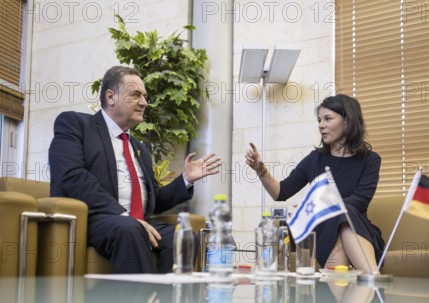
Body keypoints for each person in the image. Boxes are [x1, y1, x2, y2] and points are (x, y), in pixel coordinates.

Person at [49, 65, 221, 274]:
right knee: (131, 229)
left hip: (135, 222)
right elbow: (72, 176)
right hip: (94, 219)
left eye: (145, 96)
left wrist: (186, 178)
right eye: (136, 95)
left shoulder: (139, 149)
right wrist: (123, 215)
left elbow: (155, 200)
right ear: (111, 96)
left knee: (184, 238)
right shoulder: (75, 124)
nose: (144, 102)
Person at [245, 94, 384, 273]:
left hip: (357, 229)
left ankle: (358, 284)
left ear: (348, 121)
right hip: (324, 232)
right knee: (339, 223)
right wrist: (260, 169)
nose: (321, 125)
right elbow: (281, 192)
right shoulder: (315, 159)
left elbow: (360, 200)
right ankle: (373, 281)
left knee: (345, 215)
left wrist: (319, 206)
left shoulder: (370, 160)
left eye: (328, 119)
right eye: (319, 120)